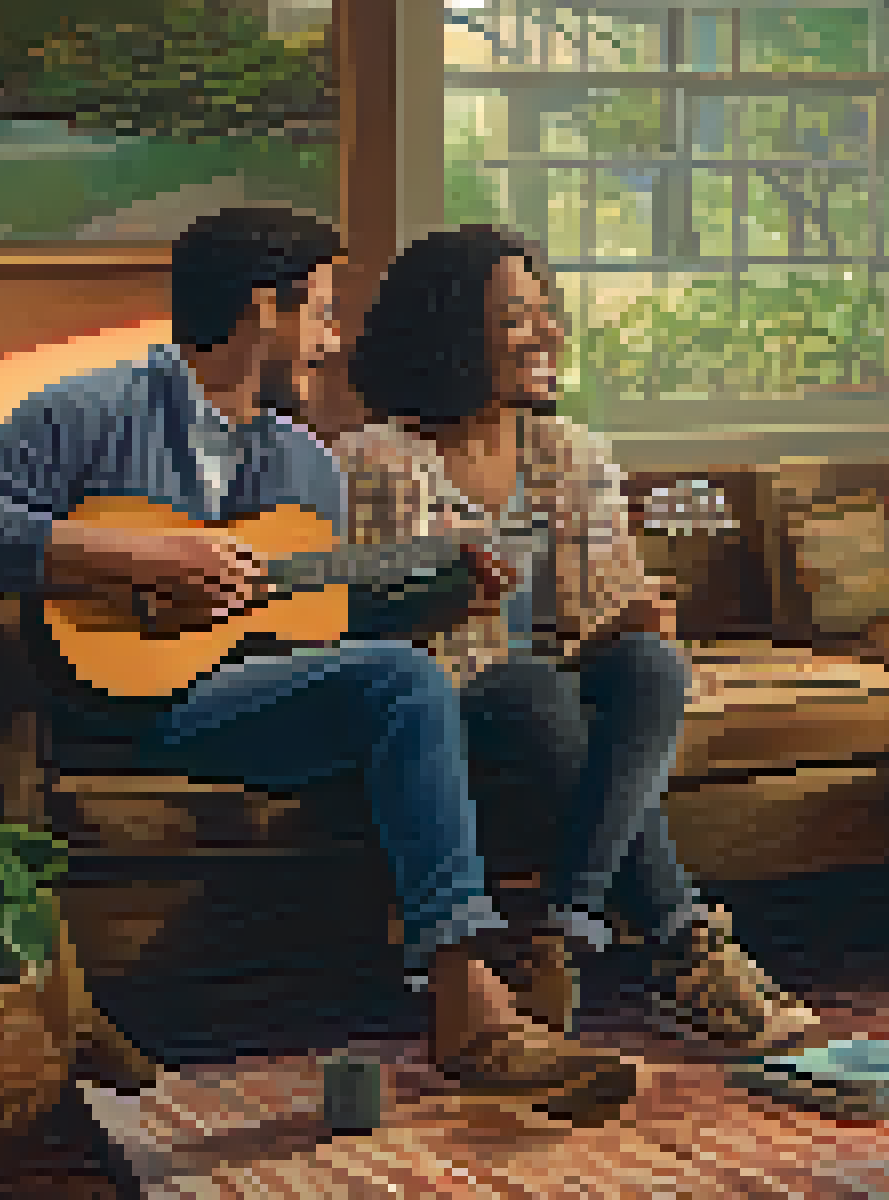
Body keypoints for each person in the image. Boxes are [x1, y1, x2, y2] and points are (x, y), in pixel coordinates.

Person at [0, 208, 634, 1112]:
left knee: (408, 681)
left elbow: (316, 622)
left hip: (235, 705)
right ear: (261, 311)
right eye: (320, 314)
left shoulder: (302, 461)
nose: (331, 343)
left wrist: (444, 597)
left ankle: (467, 1002)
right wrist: (135, 555)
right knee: (408, 684)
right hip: (102, 699)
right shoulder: (91, 409)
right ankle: (471, 1003)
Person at [342, 225, 819, 1052]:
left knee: (651, 666)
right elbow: (380, 625)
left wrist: (629, 621)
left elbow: (593, 615)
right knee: (530, 688)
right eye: (516, 319)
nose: (549, 334)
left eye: (545, 313)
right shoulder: (378, 460)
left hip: (550, 679)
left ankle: (565, 926)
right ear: (452, 334)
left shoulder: (568, 451)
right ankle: (685, 945)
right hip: (449, 695)